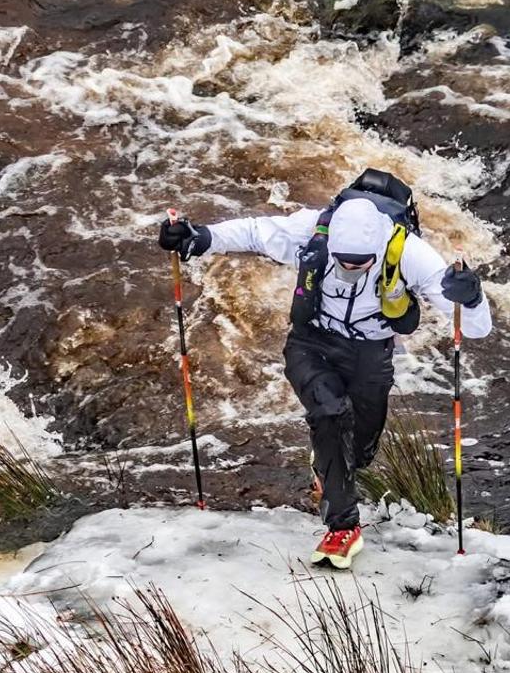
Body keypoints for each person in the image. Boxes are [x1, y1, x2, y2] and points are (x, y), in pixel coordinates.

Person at [158, 170, 492, 569]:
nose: (351, 269)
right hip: (311, 343)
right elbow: (254, 232)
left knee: (360, 451)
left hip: (371, 351)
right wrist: (199, 238)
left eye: (360, 263)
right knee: (330, 414)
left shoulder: (410, 253)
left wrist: (471, 298)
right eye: (343, 262)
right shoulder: (315, 229)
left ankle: (329, 469)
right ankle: (342, 527)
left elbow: (475, 328)